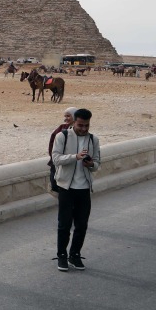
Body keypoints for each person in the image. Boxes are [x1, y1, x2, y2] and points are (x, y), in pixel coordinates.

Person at [50, 108, 101, 271]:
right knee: (64, 225)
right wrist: (75, 157)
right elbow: (56, 159)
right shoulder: (62, 136)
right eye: (80, 125)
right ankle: (62, 256)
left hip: (84, 188)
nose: (84, 129)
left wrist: (91, 164)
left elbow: (97, 163)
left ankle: (75, 255)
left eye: (87, 126)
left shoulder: (93, 139)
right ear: (74, 122)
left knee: (82, 225)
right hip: (66, 188)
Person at [46, 108, 78, 196]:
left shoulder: (79, 129)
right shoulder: (61, 128)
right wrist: (54, 157)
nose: (66, 118)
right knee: (55, 184)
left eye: (68, 116)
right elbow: (52, 142)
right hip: (59, 160)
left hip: (72, 162)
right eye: (65, 116)